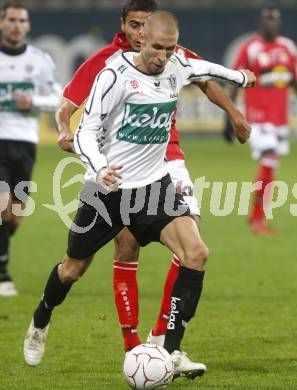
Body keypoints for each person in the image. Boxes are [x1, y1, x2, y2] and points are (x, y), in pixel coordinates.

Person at [23, 10, 255, 380]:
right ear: (141, 39)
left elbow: (207, 70)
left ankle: (170, 351)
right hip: (108, 190)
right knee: (72, 269)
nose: (161, 56)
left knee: (196, 253)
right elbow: (85, 131)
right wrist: (100, 168)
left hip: (154, 186)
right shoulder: (113, 76)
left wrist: (240, 77)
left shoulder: (176, 65)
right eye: (156, 47)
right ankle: (42, 316)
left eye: (168, 48)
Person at [0, 0, 61, 296]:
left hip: (25, 144)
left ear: (28, 25)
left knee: (16, 214)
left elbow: (58, 98)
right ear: (2, 23)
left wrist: (34, 102)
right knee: (0, 203)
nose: (16, 25)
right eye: (11, 19)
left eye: (21, 20)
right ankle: (2, 274)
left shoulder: (40, 60)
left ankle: (3, 239)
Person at [223, 6, 297, 235]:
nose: (271, 24)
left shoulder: (287, 47)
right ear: (261, 22)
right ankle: (257, 219)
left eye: (275, 20)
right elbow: (236, 81)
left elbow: (293, 78)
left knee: (271, 165)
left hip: (279, 117)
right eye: (267, 20)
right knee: (269, 159)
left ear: (279, 23)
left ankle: (257, 216)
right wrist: (230, 118)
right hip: (258, 117)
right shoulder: (251, 48)